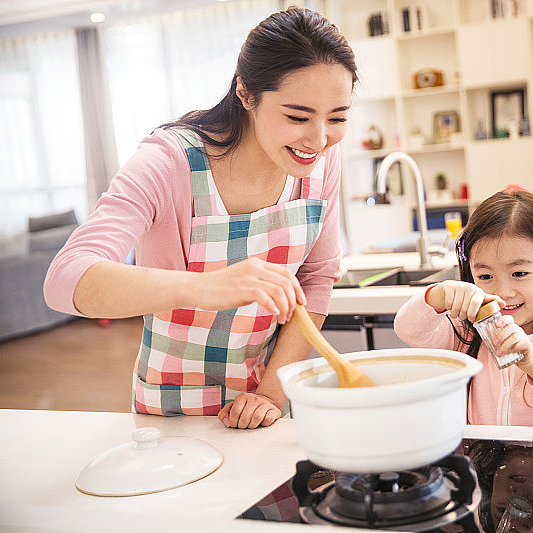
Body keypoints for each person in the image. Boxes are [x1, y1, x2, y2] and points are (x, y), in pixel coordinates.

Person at [44, 7, 357, 429]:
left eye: (337, 117)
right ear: (246, 94)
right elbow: (66, 279)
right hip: (172, 410)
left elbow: (317, 277)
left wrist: (268, 393)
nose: (318, 139)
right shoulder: (168, 161)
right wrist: (208, 287)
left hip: (267, 405)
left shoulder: (320, 158)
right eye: (297, 117)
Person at [394, 190, 533, 427]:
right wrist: (440, 295)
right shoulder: (466, 334)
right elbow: (408, 330)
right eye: (485, 275)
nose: (502, 292)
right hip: (484, 462)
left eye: (519, 273)